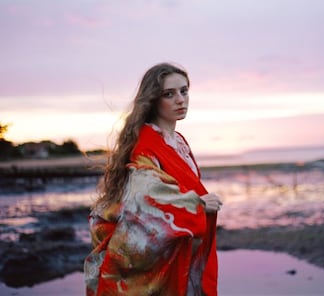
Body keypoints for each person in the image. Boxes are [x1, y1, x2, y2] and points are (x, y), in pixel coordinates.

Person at [84, 62, 223, 296]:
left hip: (184, 250)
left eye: (184, 91)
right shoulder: (145, 146)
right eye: (169, 94)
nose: (180, 99)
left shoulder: (178, 141)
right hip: (165, 261)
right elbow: (142, 199)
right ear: (153, 100)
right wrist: (195, 204)